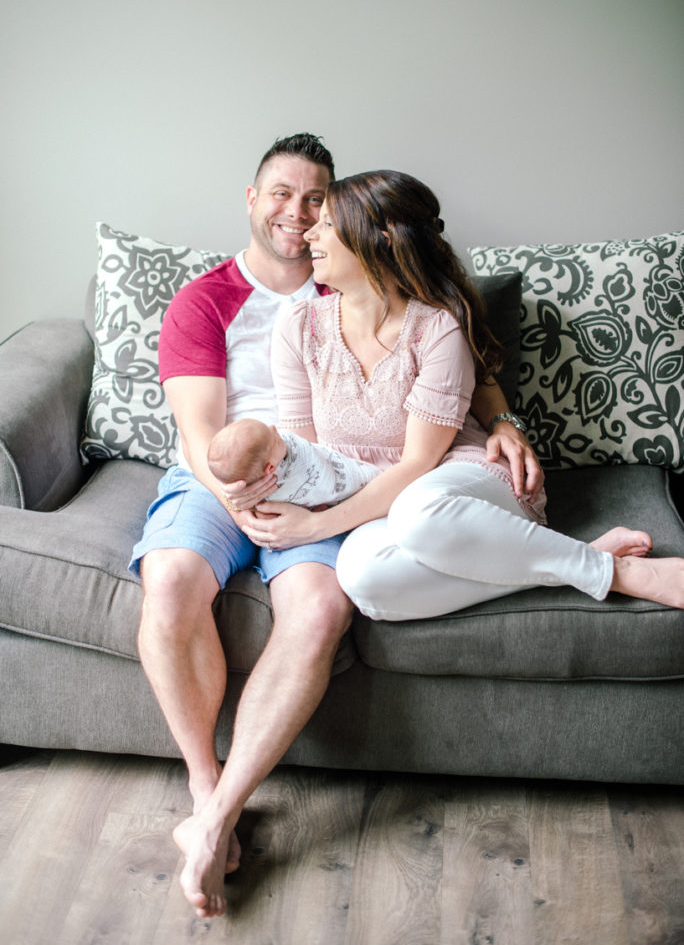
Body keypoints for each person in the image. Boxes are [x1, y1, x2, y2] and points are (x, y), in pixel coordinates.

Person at [131, 135, 545, 920]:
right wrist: (243, 506)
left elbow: (462, 362)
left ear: (341, 217)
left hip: (327, 475)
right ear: (252, 200)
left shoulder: (366, 282)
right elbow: (198, 431)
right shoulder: (209, 300)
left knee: (320, 608)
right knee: (173, 581)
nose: (299, 215)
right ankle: (207, 791)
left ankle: (216, 818)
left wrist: (504, 423)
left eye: (316, 200)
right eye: (281, 194)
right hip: (217, 480)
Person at [238, 169, 684, 625]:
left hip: (452, 484)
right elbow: (305, 450)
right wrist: (255, 485)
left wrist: (317, 525)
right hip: (375, 506)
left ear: (381, 239)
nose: (310, 233)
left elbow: (419, 464)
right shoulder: (298, 327)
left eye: (328, 223)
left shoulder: (437, 327)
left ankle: (618, 573)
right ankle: (574, 561)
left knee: (419, 513)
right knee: (363, 578)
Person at [207, 418, 381, 505]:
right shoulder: (277, 487)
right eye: (276, 440)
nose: (274, 428)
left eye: (267, 427)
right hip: (361, 489)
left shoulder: (287, 450)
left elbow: (319, 457)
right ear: (271, 468)